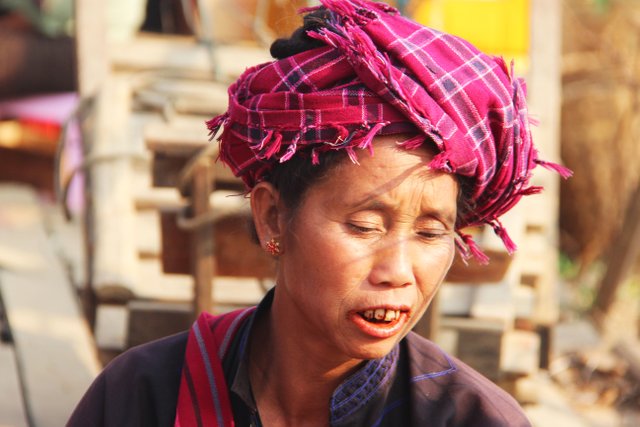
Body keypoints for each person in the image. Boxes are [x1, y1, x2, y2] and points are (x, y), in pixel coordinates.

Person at [68, 0, 571, 425]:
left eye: (430, 232)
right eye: (364, 226)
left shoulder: (471, 418)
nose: (398, 273)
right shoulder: (141, 397)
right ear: (272, 218)